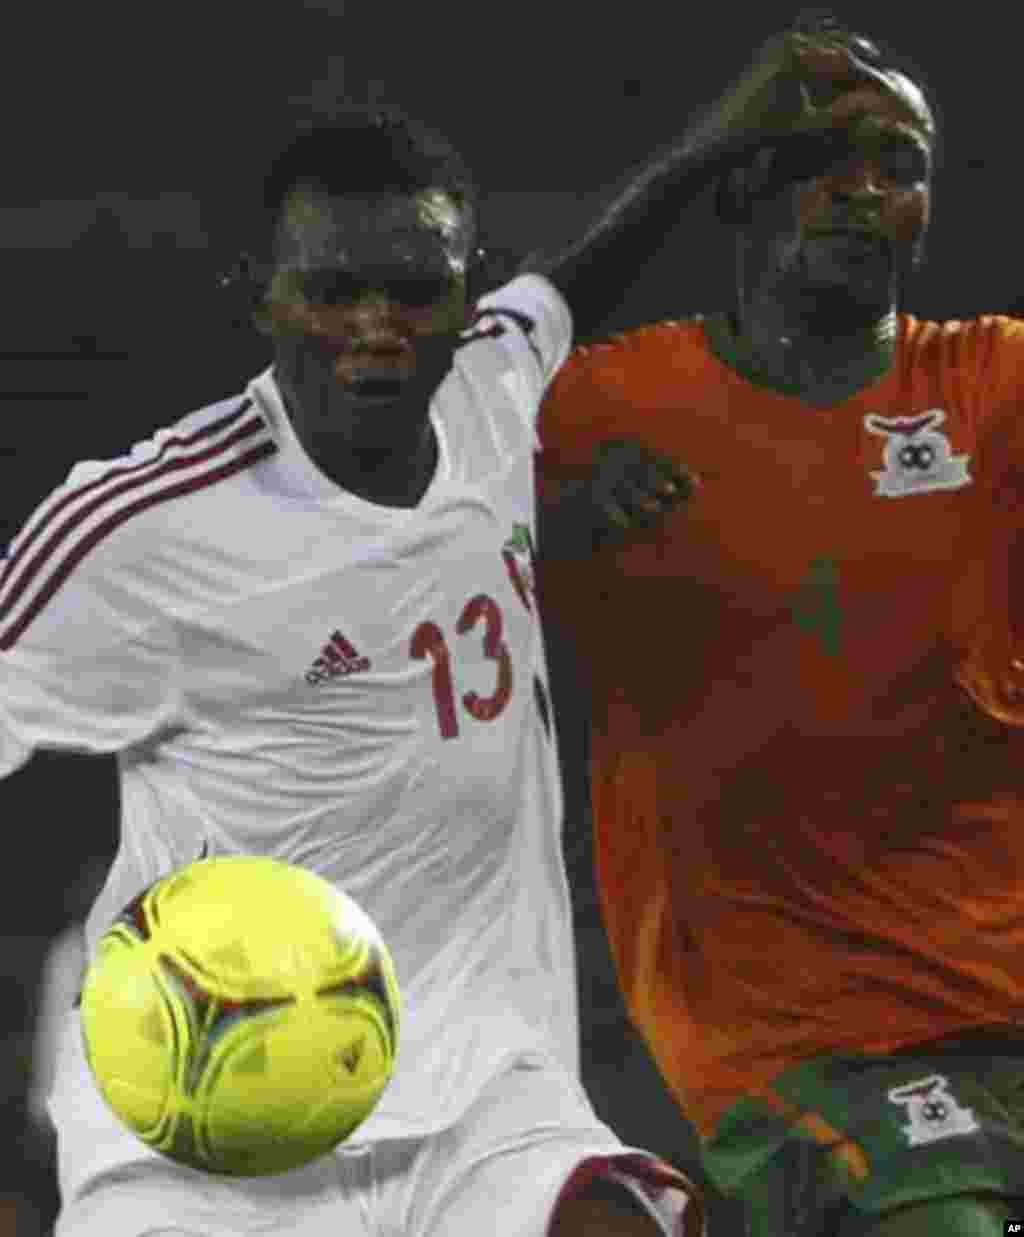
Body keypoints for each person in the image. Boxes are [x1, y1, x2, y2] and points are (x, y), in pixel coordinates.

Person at [0, 107, 708, 1237]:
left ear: (463, 293)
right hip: (206, 1128)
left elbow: (574, 285)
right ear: (257, 293)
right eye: (331, 291)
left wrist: (734, 132)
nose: (376, 327)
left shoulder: (487, 394)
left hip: (484, 1100)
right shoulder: (138, 529)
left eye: (416, 290)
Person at [538, 14, 1024, 1237]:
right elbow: (432, 423)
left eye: (898, 163)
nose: (863, 191)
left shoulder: (988, 387)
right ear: (740, 185)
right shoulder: (604, 406)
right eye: (822, 158)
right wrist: (554, 523)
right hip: (793, 1028)